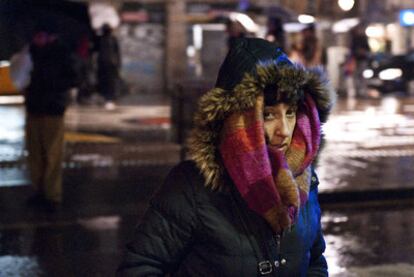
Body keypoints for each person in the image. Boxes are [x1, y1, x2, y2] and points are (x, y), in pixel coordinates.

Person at [117, 38, 335, 276]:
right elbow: (139, 268)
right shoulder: (191, 187)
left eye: (291, 113)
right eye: (269, 115)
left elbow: (314, 260)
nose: (284, 129)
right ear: (236, 119)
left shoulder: (303, 179)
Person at [25, 28, 76, 212]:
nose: (36, 38)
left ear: (50, 35)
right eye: (35, 35)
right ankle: (38, 191)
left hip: (53, 109)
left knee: (52, 154)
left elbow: (74, 78)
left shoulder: (62, 51)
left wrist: (52, 82)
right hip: (34, 108)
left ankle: (52, 195)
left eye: (40, 35)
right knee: (35, 154)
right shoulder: (30, 51)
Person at [96, 24, 121, 110]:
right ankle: (106, 97)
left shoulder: (112, 39)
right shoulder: (100, 39)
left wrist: (118, 64)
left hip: (110, 64)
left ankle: (110, 98)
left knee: (111, 82)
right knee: (105, 82)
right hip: (103, 64)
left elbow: (117, 52)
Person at [350, 24, 371, 97]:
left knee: (362, 75)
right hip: (356, 59)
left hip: (363, 59)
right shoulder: (354, 38)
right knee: (356, 75)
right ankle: (357, 91)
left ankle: (363, 91)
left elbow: (368, 49)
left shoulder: (364, 38)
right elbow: (351, 50)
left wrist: (363, 51)